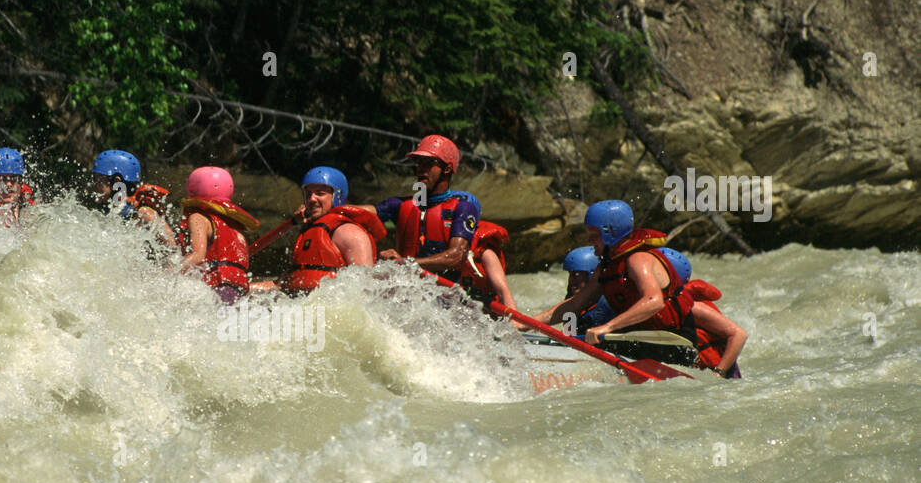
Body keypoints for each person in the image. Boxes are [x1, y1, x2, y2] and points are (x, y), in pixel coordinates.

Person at [361, 135, 518, 314]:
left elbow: (455, 257)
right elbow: (362, 211)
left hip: (449, 302)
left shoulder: (463, 208)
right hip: (409, 297)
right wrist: (329, 205)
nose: (421, 169)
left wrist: (407, 263)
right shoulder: (402, 205)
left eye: (429, 163)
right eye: (419, 163)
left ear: (447, 168)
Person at [537, 200, 695, 344]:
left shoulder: (638, 259)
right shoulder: (605, 267)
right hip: (637, 340)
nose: (589, 241)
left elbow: (654, 301)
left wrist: (607, 327)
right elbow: (575, 304)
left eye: (594, 235)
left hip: (674, 342)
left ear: (610, 233)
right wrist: (527, 323)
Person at [250, 166, 387, 293]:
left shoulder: (349, 233)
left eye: (319, 193)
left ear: (336, 196)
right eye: (308, 194)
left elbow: (365, 288)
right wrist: (243, 287)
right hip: (300, 306)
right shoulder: (307, 234)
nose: (312, 199)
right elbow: (279, 285)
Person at [660, 248, 748, 378]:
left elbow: (739, 335)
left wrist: (719, 372)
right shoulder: (656, 303)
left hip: (719, 374)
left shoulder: (692, 307)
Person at [177, 166, 259, 305]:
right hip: (236, 293)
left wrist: (167, 273)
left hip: (217, 290)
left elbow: (198, 256)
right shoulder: (236, 227)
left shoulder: (198, 217)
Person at [90, 149, 175, 246]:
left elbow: (173, 248)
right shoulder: (110, 212)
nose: (94, 185)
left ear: (117, 182)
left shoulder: (144, 214)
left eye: (97, 180)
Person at [558, 246, 614, 335]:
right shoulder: (570, 299)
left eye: (576, 275)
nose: (571, 280)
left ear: (592, 275)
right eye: (570, 274)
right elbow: (569, 334)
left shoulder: (610, 302)